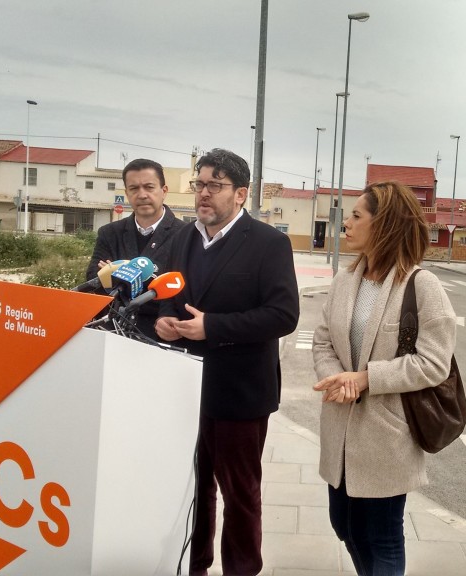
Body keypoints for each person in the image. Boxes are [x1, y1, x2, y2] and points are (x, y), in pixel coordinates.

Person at [154, 148, 299, 576]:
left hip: (241, 392)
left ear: (240, 193)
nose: (203, 193)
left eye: (214, 185)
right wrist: (163, 320)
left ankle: (241, 569)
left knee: (240, 494)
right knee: (194, 487)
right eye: (199, 184)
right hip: (186, 388)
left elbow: (283, 315)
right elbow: (168, 295)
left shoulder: (269, 243)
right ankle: (194, 564)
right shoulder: (182, 238)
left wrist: (212, 327)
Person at [311, 181, 457, 575]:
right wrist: (338, 379)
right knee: (345, 526)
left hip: (386, 435)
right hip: (340, 431)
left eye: (357, 216)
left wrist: (366, 379)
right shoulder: (345, 281)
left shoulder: (421, 285)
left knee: (383, 537)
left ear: (385, 224)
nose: (346, 223)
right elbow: (322, 341)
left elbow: (434, 362)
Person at [86, 158, 185, 337]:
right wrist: (151, 282)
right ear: (127, 193)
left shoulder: (186, 234)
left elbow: (183, 291)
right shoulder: (109, 233)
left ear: (164, 191)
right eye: (134, 188)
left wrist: (117, 274)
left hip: (161, 334)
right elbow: (94, 281)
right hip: (113, 331)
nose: (142, 195)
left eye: (149, 187)